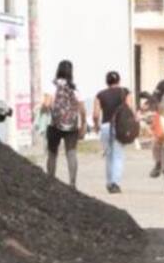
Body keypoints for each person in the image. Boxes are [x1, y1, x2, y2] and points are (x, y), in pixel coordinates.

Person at [44, 59, 86, 188]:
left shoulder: (52, 86)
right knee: (71, 153)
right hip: (71, 125)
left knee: (52, 153)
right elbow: (82, 110)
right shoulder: (75, 88)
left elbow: (47, 104)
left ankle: (50, 180)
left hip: (54, 124)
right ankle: (72, 183)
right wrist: (83, 124)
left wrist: (47, 110)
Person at [93, 71, 132, 194]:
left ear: (107, 82)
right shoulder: (125, 92)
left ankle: (109, 183)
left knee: (109, 156)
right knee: (118, 155)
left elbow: (96, 115)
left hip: (105, 126)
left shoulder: (100, 95)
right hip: (120, 126)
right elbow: (130, 109)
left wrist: (96, 126)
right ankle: (115, 183)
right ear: (119, 81)